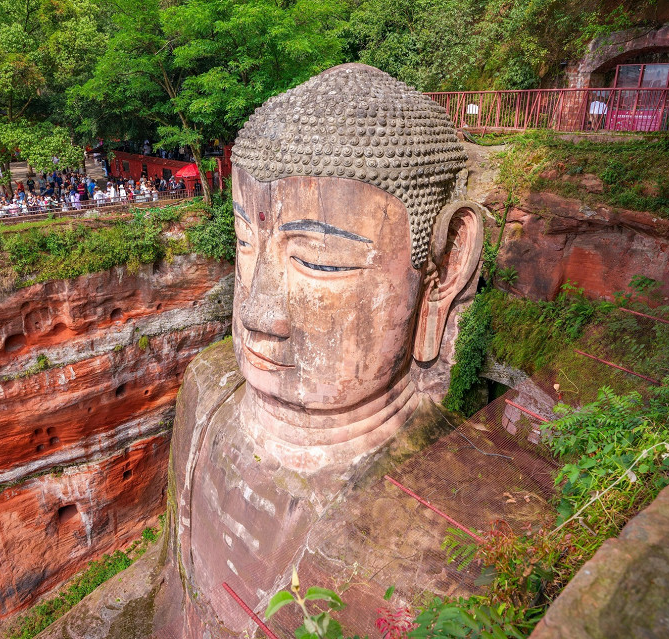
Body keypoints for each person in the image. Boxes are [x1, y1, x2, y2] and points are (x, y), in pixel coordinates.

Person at [160, 64, 544, 638]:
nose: (258, 313)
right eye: (245, 243)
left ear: (443, 269)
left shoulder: (459, 547)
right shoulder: (206, 390)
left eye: (318, 262)